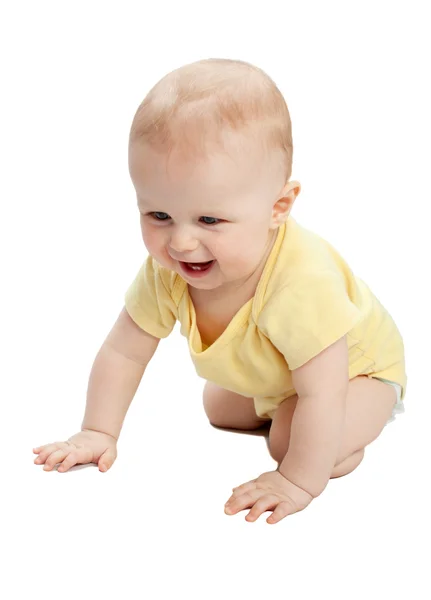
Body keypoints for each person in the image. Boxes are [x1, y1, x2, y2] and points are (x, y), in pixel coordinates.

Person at [33, 58, 407, 524]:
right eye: (158, 216)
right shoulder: (167, 269)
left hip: (355, 374)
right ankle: (289, 413)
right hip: (283, 375)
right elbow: (124, 352)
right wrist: (96, 432)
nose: (181, 242)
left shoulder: (303, 283)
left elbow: (324, 391)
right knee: (219, 406)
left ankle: (349, 441)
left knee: (288, 442)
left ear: (278, 206)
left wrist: (297, 479)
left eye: (209, 219)